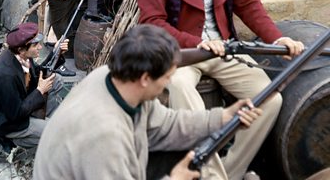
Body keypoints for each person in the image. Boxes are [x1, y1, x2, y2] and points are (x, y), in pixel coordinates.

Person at [136, 0, 304, 180]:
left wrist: (276, 39)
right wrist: (196, 43)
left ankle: (228, 172)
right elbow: (153, 24)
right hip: (181, 53)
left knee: (269, 99)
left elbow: (247, 3)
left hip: (225, 48)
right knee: (182, 93)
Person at [34, 24, 262, 180]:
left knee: (186, 151)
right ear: (145, 78)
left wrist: (222, 117)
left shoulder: (115, 78)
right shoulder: (104, 133)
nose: (168, 82)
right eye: (166, 77)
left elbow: (168, 125)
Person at [0, 23, 70, 149]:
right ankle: (19, 140)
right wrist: (40, 91)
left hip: (19, 107)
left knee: (56, 80)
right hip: (8, 123)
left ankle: (42, 122)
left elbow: (38, 73)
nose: (40, 47)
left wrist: (56, 53)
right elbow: (15, 114)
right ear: (21, 49)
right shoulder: (6, 75)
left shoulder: (22, 56)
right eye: (36, 45)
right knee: (57, 134)